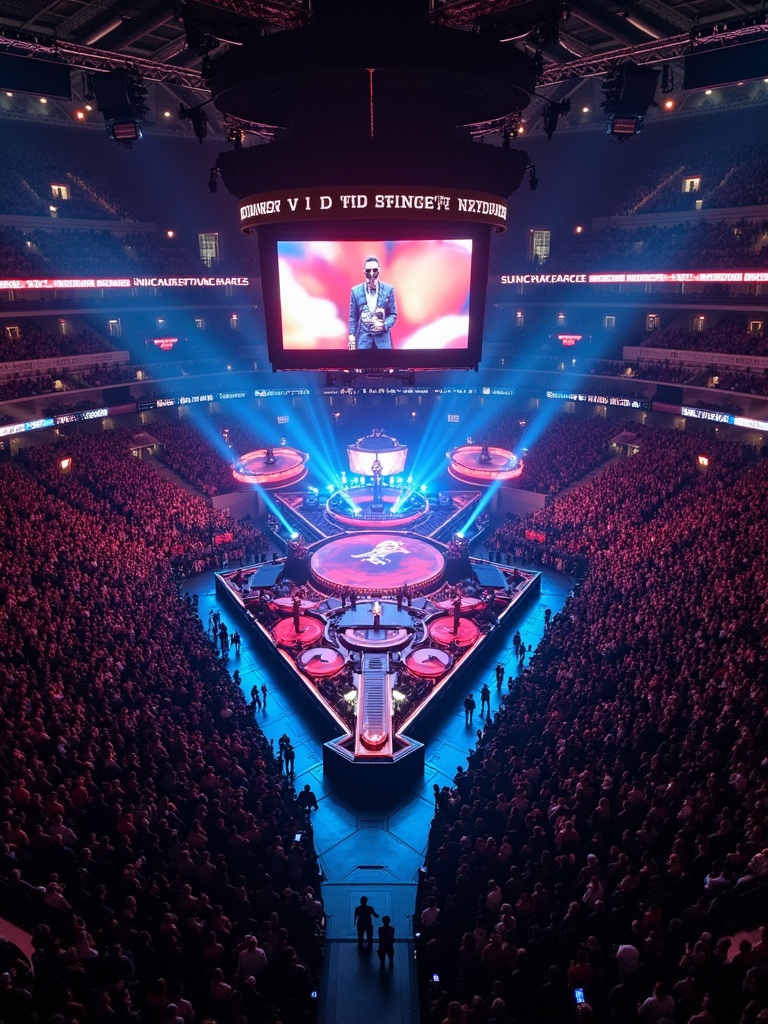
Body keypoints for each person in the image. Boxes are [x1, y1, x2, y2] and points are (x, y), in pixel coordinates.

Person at [348, 255, 398, 351]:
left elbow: (393, 314)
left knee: (384, 366)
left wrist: (384, 325)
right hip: (364, 343)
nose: (372, 274)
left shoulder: (388, 290)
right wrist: (351, 338)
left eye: (375, 270)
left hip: (383, 343)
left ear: (379, 271)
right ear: (364, 272)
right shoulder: (356, 291)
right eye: (368, 271)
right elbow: (353, 318)